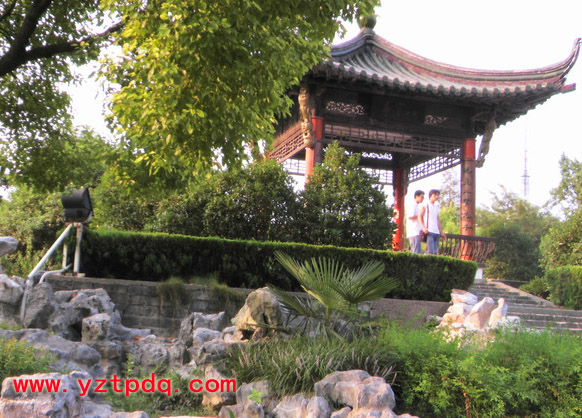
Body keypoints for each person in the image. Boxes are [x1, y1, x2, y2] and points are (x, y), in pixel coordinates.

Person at [418, 189, 446, 255]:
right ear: (431, 195)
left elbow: (437, 220)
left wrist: (441, 232)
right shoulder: (426, 205)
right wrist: (423, 227)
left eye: (437, 195)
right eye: (435, 195)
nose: (436, 196)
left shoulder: (436, 207)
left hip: (436, 232)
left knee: (435, 252)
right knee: (430, 251)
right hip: (429, 231)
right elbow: (420, 216)